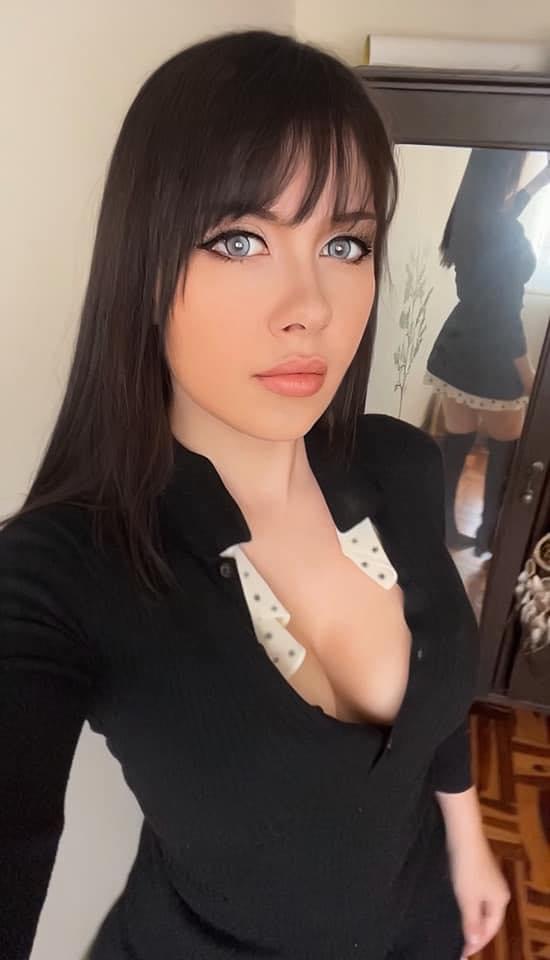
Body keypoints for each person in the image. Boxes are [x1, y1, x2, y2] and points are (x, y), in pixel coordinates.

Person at [0, 29, 509, 960]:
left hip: (421, 930)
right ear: (145, 266)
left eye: (344, 243)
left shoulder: (400, 464)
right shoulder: (58, 574)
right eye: (240, 240)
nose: (310, 306)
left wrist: (468, 838)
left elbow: (435, 687)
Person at [425, 148, 550, 555]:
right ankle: (487, 537)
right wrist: (528, 374)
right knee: (506, 454)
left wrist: (539, 182)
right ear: (503, 174)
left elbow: (506, 215)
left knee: (455, 445)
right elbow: (506, 314)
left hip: (456, 350)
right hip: (494, 358)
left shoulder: (468, 218)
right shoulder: (502, 230)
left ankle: (444, 529)